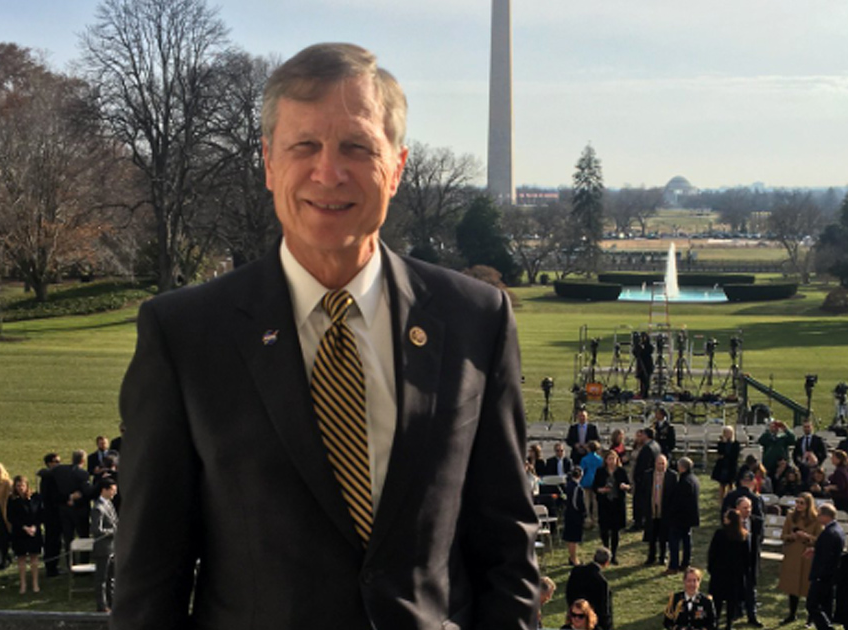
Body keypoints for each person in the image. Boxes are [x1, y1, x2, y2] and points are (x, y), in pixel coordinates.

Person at [115, 43, 540, 630]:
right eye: (305, 146)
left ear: (398, 166)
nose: (329, 172)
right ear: (269, 162)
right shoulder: (186, 335)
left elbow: (507, 545)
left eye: (357, 147)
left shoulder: (475, 318)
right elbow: (149, 580)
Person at [778, 493, 822, 625]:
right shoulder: (791, 516)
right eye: (797, 502)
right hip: (793, 553)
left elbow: (820, 539)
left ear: (808, 505)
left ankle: (810, 617)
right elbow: (783, 535)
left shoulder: (816, 519)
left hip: (808, 554)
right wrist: (792, 536)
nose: (798, 505)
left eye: (802, 503)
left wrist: (807, 537)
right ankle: (792, 614)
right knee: (793, 584)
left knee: (807, 585)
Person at [707, 509, 749, 630]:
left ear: (729, 520)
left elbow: (712, 552)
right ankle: (729, 624)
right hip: (735, 574)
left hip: (719, 572)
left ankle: (715, 622)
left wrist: (711, 567)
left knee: (717, 600)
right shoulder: (743, 536)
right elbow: (747, 556)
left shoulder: (720, 534)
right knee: (732, 600)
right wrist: (744, 572)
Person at [804, 503, 845, 630]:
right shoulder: (837, 530)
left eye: (819, 514)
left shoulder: (829, 533)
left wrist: (818, 575)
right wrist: (816, 550)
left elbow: (827, 557)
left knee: (812, 605)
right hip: (830, 576)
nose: (817, 517)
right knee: (826, 606)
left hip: (823, 576)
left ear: (826, 516)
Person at [7, 475, 43, 594]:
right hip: (19, 532)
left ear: (27, 485)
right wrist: (24, 528)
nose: (20, 488)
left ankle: (35, 583)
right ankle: (23, 583)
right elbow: (11, 517)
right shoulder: (12, 500)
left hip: (34, 531)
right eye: (18, 486)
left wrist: (34, 526)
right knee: (21, 557)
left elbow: (40, 514)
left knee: (34, 557)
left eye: (22, 485)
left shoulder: (35, 497)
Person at [593, 450, 630, 562]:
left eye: (613, 459)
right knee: (604, 530)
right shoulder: (600, 471)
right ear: (605, 460)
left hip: (617, 504)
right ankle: (605, 551)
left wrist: (625, 486)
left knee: (615, 530)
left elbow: (628, 485)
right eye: (609, 459)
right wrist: (601, 490)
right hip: (604, 504)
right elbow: (595, 486)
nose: (611, 461)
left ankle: (613, 554)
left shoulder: (621, 471)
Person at [666, 457, 701, 574]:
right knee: (687, 540)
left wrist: (671, 511)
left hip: (680, 517)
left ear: (682, 467)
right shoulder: (694, 479)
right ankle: (685, 563)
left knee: (674, 542)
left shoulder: (684, 481)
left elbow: (679, 501)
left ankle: (674, 565)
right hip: (690, 516)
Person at [733, 496, 764, 627]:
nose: (748, 510)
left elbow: (760, 539)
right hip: (736, 560)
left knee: (751, 589)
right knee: (736, 587)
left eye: (749, 507)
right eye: (744, 508)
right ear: (737, 509)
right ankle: (736, 611)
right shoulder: (732, 522)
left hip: (751, 560)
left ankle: (752, 615)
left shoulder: (757, 522)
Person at [566, 548, 613, 630]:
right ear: (607, 563)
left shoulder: (576, 571)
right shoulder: (601, 581)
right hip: (591, 621)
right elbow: (603, 608)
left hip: (574, 615)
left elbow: (568, 592)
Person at [643, 454, 677, 566]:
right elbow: (644, 492)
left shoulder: (672, 476)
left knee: (664, 535)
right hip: (652, 510)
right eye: (659, 463)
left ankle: (663, 556)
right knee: (651, 535)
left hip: (665, 510)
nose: (661, 466)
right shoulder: (648, 475)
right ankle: (651, 556)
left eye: (663, 463)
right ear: (655, 464)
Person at [92, 478, 119, 613]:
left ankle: (112, 603)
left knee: (111, 578)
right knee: (101, 579)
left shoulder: (109, 504)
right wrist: (113, 532)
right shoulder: (98, 507)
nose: (114, 493)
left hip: (112, 547)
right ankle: (102, 605)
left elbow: (115, 521)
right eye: (112, 490)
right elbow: (97, 530)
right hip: (103, 548)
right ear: (104, 490)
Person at [37, 452, 64, 577]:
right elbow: (53, 497)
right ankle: (51, 568)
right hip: (52, 514)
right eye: (56, 461)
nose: (59, 464)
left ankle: (53, 566)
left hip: (52, 513)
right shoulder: (49, 477)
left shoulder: (48, 476)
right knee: (53, 541)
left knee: (54, 540)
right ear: (49, 463)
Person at [632, 428, 662, 530]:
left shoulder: (647, 448)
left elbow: (643, 465)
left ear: (646, 435)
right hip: (651, 477)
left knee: (639, 501)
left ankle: (639, 522)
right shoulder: (656, 445)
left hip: (643, 479)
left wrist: (638, 477)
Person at [563, 467, 587, 565]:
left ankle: (572, 556)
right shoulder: (578, 488)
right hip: (575, 515)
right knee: (574, 538)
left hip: (568, 513)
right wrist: (583, 512)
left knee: (570, 538)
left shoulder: (568, 485)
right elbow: (578, 503)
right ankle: (573, 558)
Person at [711, 426, 741, 504]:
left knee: (731, 484)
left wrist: (725, 455)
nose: (727, 434)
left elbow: (734, 456)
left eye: (728, 433)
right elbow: (719, 453)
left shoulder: (736, 444)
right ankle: (721, 501)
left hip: (731, 466)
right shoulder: (721, 443)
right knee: (722, 484)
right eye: (725, 433)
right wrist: (723, 444)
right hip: (723, 466)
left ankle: (731, 500)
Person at [580, 441, 605, 528]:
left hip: (586, 480)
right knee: (595, 501)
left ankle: (588, 519)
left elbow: (582, 470)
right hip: (596, 480)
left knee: (586, 501)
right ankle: (596, 519)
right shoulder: (600, 459)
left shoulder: (584, 459)